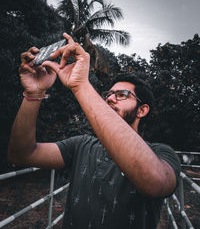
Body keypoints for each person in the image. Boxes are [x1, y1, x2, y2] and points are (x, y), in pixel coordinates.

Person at [8, 33, 180, 229]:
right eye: (108, 94)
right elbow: (21, 154)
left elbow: (154, 182)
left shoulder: (162, 153)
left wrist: (81, 85)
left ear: (142, 110)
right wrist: (34, 93)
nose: (110, 99)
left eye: (122, 95)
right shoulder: (82, 145)